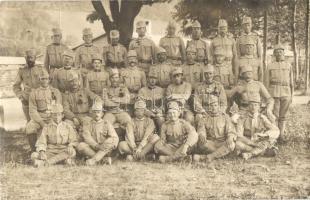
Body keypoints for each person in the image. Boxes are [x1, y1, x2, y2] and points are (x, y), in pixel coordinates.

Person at [25, 69, 62, 152]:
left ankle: (55, 149)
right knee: (30, 127)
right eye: (42, 79)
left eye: (46, 78)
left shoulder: (55, 92)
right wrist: (41, 122)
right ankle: (34, 150)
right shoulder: (34, 93)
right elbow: (32, 110)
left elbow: (58, 107)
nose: (45, 81)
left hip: (53, 116)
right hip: (40, 117)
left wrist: (54, 119)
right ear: (39, 80)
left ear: (49, 80)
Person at [193, 96, 236, 162]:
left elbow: (231, 131)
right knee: (202, 144)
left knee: (231, 145)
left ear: (219, 106)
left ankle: (207, 157)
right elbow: (201, 129)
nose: (213, 108)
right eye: (211, 106)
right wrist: (202, 135)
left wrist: (230, 137)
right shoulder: (204, 118)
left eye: (215, 105)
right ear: (208, 107)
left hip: (222, 142)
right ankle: (221, 154)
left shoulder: (225, 117)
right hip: (210, 143)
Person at [265, 44, 294, 142]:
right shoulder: (270, 66)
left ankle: (281, 135)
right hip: (274, 92)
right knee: (275, 115)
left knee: (283, 115)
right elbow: (266, 82)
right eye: (276, 52)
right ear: (274, 54)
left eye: (280, 52)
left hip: (286, 92)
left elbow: (291, 82)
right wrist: (267, 96)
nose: (279, 54)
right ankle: (274, 136)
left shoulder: (288, 65)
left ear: (283, 53)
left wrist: (292, 95)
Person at [77, 101, 119, 166]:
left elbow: (114, 137)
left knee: (112, 140)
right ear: (91, 113)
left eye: (98, 112)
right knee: (81, 145)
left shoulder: (106, 123)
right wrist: (96, 146)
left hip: (104, 149)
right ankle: (103, 160)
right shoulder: (87, 123)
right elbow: (87, 138)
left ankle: (93, 160)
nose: (97, 114)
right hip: (92, 148)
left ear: (102, 113)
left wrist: (104, 144)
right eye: (95, 112)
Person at [102, 69, 134, 142]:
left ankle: (131, 143)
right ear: (110, 79)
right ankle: (107, 145)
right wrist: (121, 100)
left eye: (116, 78)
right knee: (104, 125)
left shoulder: (123, 88)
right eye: (112, 78)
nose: (114, 80)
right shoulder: (105, 89)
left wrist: (115, 99)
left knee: (129, 122)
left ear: (119, 78)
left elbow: (127, 100)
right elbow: (106, 103)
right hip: (110, 112)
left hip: (121, 112)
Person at [13, 49, 44, 122]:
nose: (30, 59)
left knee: (41, 121)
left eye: (31, 57)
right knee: (30, 123)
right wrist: (21, 97)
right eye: (28, 57)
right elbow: (16, 86)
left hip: (40, 100)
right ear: (25, 58)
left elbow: (47, 82)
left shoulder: (41, 69)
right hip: (27, 100)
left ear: (35, 58)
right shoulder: (22, 70)